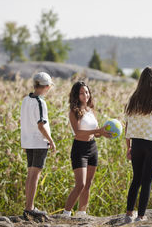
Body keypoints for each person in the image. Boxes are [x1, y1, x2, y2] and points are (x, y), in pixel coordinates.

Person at [124, 67, 152, 223]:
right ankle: (141, 216)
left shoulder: (133, 100)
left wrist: (128, 146)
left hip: (137, 142)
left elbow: (127, 126)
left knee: (136, 178)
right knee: (147, 180)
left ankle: (129, 214)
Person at [62, 81, 111, 217]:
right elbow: (78, 132)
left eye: (87, 92)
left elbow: (94, 133)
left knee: (88, 184)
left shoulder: (91, 111)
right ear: (76, 95)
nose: (86, 95)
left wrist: (102, 133)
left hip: (92, 147)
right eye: (82, 93)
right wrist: (98, 130)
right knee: (80, 184)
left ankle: (81, 213)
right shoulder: (74, 112)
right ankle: (66, 213)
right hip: (79, 149)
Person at [21, 72, 56, 219]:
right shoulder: (40, 102)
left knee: (30, 174)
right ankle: (30, 208)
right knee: (35, 175)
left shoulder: (25, 100)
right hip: (39, 142)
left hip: (28, 141)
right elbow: (41, 125)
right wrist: (51, 140)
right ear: (46, 87)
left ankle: (28, 206)